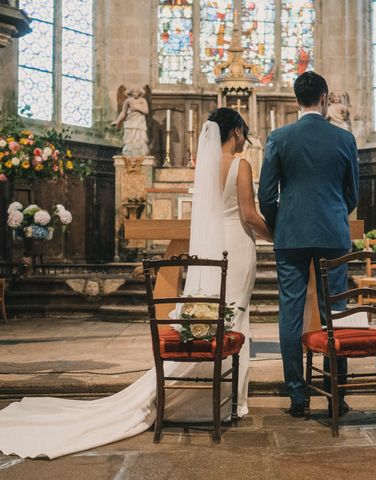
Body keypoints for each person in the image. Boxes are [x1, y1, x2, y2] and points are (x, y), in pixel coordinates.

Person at [0, 108, 271, 459]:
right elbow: (249, 215)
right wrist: (276, 233)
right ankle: (231, 400)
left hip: (213, 247)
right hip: (236, 245)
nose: (242, 140)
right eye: (242, 134)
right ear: (235, 131)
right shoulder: (242, 164)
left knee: (212, 315)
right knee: (234, 316)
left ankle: (208, 397)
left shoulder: (204, 167)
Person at [258, 71, 359, 418]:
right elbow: (353, 194)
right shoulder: (344, 139)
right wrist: (332, 215)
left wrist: (281, 223)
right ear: (325, 98)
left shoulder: (279, 137)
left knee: (290, 314)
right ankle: (337, 395)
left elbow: (265, 195)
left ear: (295, 100)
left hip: (291, 236)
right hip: (333, 235)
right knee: (336, 312)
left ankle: (298, 398)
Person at [111, 87, 149, 156]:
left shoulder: (142, 100)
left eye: (136, 92)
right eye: (133, 92)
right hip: (130, 120)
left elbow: (146, 111)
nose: (135, 94)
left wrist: (137, 108)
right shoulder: (128, 101)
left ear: (139, 93)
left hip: (139, 121)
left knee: (140, 137)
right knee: (129, 136)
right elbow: (123, 112)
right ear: (131, 93)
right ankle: (129, 147)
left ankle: (139, 146)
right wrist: (117, 121)